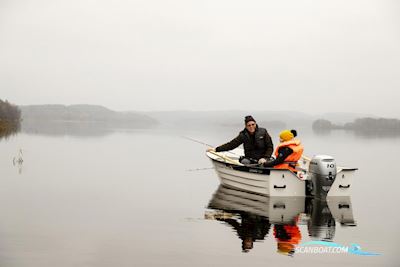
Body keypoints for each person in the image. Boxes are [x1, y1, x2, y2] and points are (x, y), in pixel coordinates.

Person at [207, 115, 274, 165]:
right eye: (249, 125)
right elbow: (231, 145)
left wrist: (265, 158)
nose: (251, 127)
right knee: (244, 162)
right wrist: (216, 149)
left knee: (271, 162)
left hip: (264, 159)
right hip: (250, 160)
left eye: (253, 124)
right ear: (246, 126)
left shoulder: (263, 132)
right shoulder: (243, 135)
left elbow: (270, 147)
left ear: (255, 124)